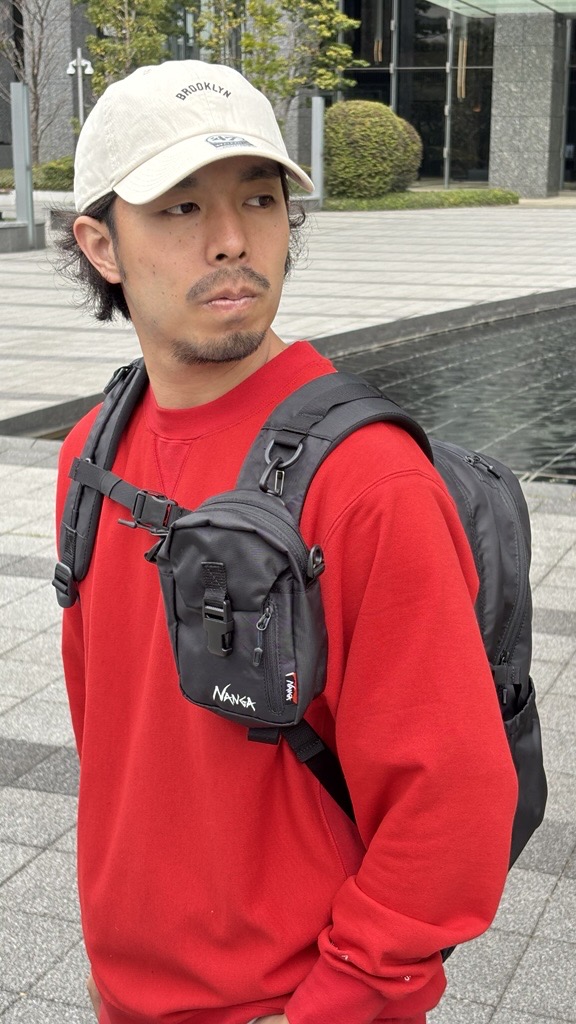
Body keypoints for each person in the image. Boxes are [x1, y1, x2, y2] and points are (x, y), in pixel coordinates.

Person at [55, 59, 518, 1024]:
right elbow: (113, 734)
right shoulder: (92, 452)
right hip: (126, 989)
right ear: (100, 243)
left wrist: (338, 1002)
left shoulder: (367, 482)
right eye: (182, 208)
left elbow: (452, 802)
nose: (232, 238)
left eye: (260, 200)